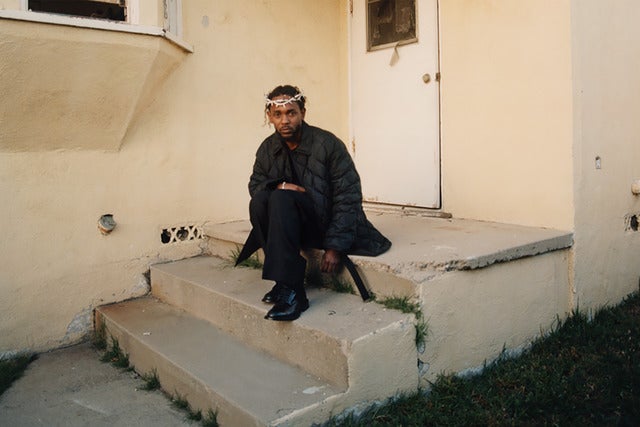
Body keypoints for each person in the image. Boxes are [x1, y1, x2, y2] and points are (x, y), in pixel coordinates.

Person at [236, 84, 391, 321]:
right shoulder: (268, 148)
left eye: (291, 113)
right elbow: (255, 184)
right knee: (260, 200)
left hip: (325, 225)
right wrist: (281, 185)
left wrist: (335, 246)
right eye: (278, 114)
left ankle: (293, 294)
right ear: (270, 116)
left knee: (279, 198)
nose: (285, 120)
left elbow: (348, 195)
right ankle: (287, 283)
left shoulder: (327, 144)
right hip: (292, 225)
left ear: (303, 113)